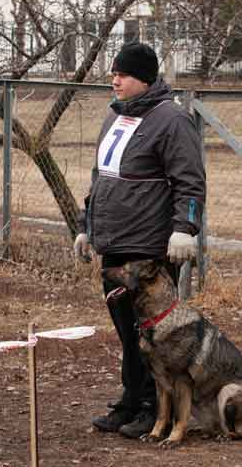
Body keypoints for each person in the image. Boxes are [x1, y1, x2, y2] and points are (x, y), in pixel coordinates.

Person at [73, 42, 206, 439]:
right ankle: (132, 401)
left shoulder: (172, 121)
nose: (114, 81)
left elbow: (191, 182)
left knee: (153, 335)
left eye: (123, 74)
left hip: (149, 248)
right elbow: (101, 179)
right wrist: (86, 225)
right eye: (113, 73)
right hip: (113, 243)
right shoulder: (115, 117)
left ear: (144, 79)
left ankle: (155, 407)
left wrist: (186, 228)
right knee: (128, 333)